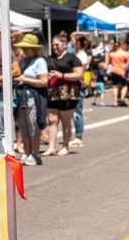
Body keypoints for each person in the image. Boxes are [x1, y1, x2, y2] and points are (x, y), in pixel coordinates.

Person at [43, 35, 83, 156]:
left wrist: (62, 76)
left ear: (64, 44)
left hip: (68, 93)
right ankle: (51, 147)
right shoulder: (49, 59)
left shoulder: (72, 58)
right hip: (52, 92)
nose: (55, 47)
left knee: (66, 122)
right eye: (53, 45)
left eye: (57, 45)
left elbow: (79, 75)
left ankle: (65, 146)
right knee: (52, 120)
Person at [12, 34, 48, 166]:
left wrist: (24, 79)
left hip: (33, 98)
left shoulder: (40, 61)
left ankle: (35, 153)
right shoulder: (22, 61)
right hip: (21, 98)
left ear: (35, 49)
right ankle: (27, 153)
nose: (25, 50)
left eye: (28, 48)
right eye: (24, 48)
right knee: (23, 127)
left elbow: (44, 81)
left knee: (33, 126)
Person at [70, 35, 91, 147]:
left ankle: (79, 137)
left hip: (78, 85)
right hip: (76, 85)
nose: (71, 43)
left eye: (73, 41)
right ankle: (77, 136)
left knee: (77, 112)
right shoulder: (78, 55)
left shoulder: (81, 56)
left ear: (78, 43)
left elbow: (80, 73)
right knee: (75, 111)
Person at [105, 41, 129, 107]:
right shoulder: (125, 53)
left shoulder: (112, 53)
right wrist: (125, 69)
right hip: (122, 71)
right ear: (121, 45)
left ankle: (115, 102)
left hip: (113, 71)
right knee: (124, 85)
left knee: (115, 86)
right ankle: (122, 98)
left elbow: (108, 62)